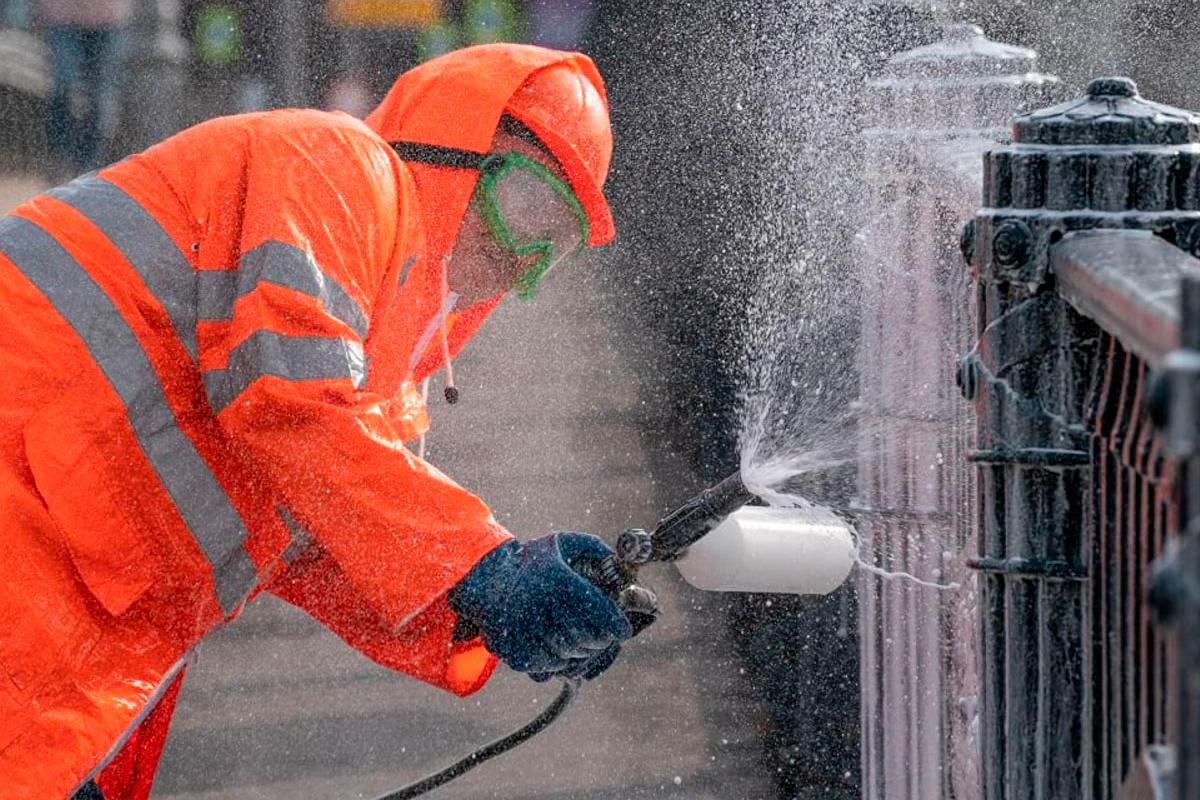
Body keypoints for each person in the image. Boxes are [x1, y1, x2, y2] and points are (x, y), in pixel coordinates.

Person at [0, 43, 639, 799]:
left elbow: (334, 542)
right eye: (529, 210)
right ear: (458, 145)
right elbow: (290, 406)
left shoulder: (385, 375)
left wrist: (492, 612)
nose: (525, 263)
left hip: (64, 609)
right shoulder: (339, 167)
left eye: (556, 248)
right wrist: (483, 565)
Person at [35, 0, 132, 179]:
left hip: (108, 17)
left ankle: (89, 165)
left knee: (100, 97)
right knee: (64, 87)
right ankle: (61, 155)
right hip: (61, 16)